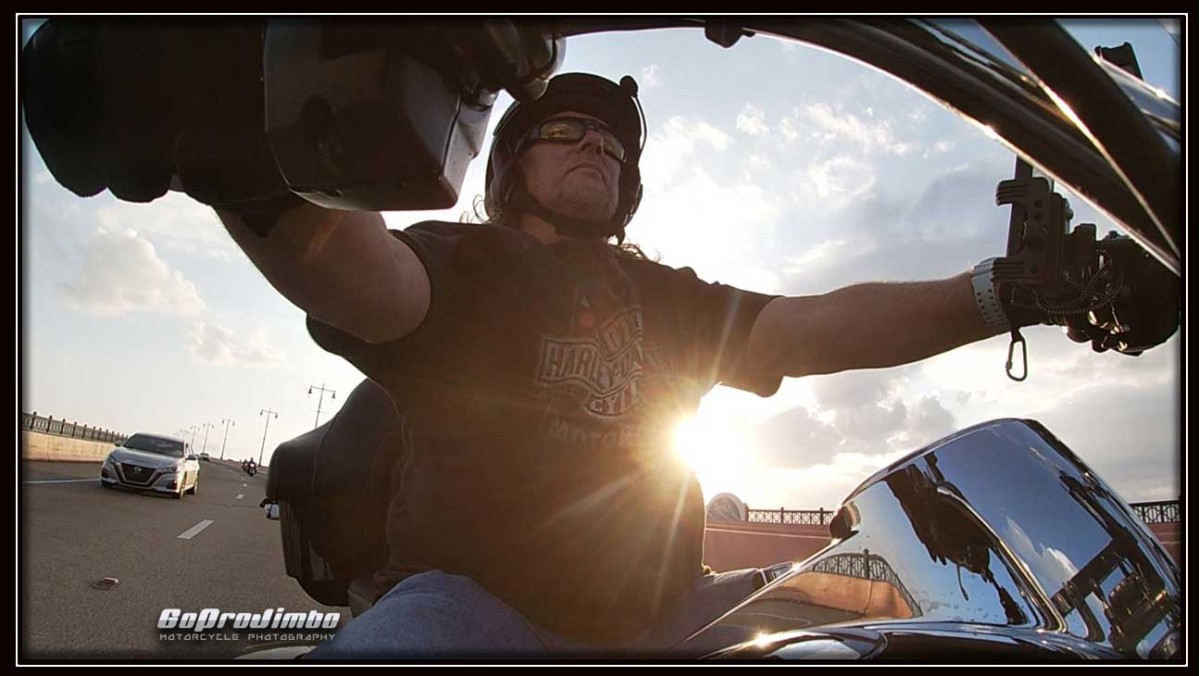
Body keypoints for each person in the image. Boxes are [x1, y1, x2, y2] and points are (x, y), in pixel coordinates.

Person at [211, 72, 1055, 657]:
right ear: (509, 166)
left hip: (670, 614)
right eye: (567, 133)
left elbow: (807, 329)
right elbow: (360, 276)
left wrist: (997, 294)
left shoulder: (668, 297)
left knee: (904, 621)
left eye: (613, 146)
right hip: (472, 606)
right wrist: (227, 146)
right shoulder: (468, 263)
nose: (598, 149)